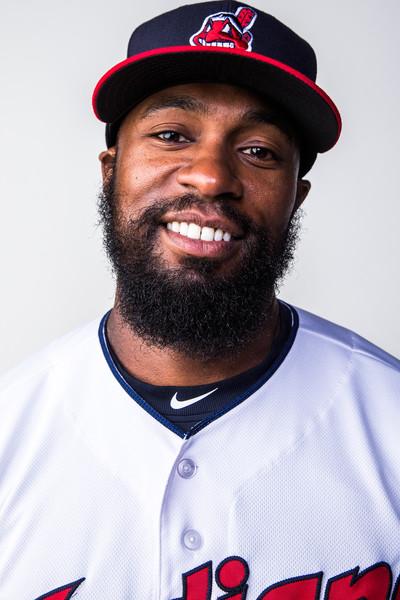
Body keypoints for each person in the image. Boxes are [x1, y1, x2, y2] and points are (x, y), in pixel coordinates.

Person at [1, 2, 399, 599]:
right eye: (171, 136)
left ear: (297, 197)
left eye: (259, 150)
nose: (211, 177)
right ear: (110, 172)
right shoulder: (11, 431)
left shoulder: (390, 422)